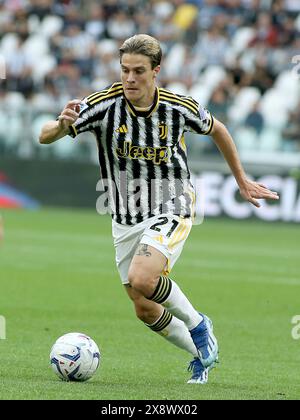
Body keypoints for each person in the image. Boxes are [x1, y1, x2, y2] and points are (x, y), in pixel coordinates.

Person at [39, 34, 279, 384]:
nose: (130, 79)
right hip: (124, 216)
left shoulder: (176, 106)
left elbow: (219, 130)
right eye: (125, 70)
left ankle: (199, 324)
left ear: (156, 72)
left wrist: (241, 180)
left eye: (139, 71)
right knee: (144, 306)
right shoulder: (103, 105)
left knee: (143, 277)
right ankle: (202, 356)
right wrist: (60, 126)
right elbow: (44, 135)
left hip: (174, 201)